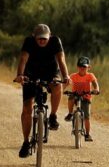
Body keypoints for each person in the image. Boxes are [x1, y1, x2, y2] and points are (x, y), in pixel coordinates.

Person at [13, 23, 70, 158]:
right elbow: (23, 59)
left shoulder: (55, 41)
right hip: (30, 73)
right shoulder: (29, 42)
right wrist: (20, 75)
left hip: (51, 72)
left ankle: (53, 116)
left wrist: (66, 76)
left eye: (45, 38)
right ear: (34, 37)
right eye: (39, 38)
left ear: (50, 36)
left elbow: (61, 59)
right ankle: (26, 142)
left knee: (57, 85)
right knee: (27, 108)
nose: (42, 41)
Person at [64, 56, 100, 142]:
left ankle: (87, 134)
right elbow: (65, 84)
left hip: (86, 97)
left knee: (86, 117)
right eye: (80, 66)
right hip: (75, 96)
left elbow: (95, 84)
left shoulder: (90, 76)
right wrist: (62, 89)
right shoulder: (73, 76)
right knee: (71, 97)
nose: (82, 68)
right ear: (77, 67)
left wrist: (96, 90)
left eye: (84, 67)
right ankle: (70, 113)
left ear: (89, 67)